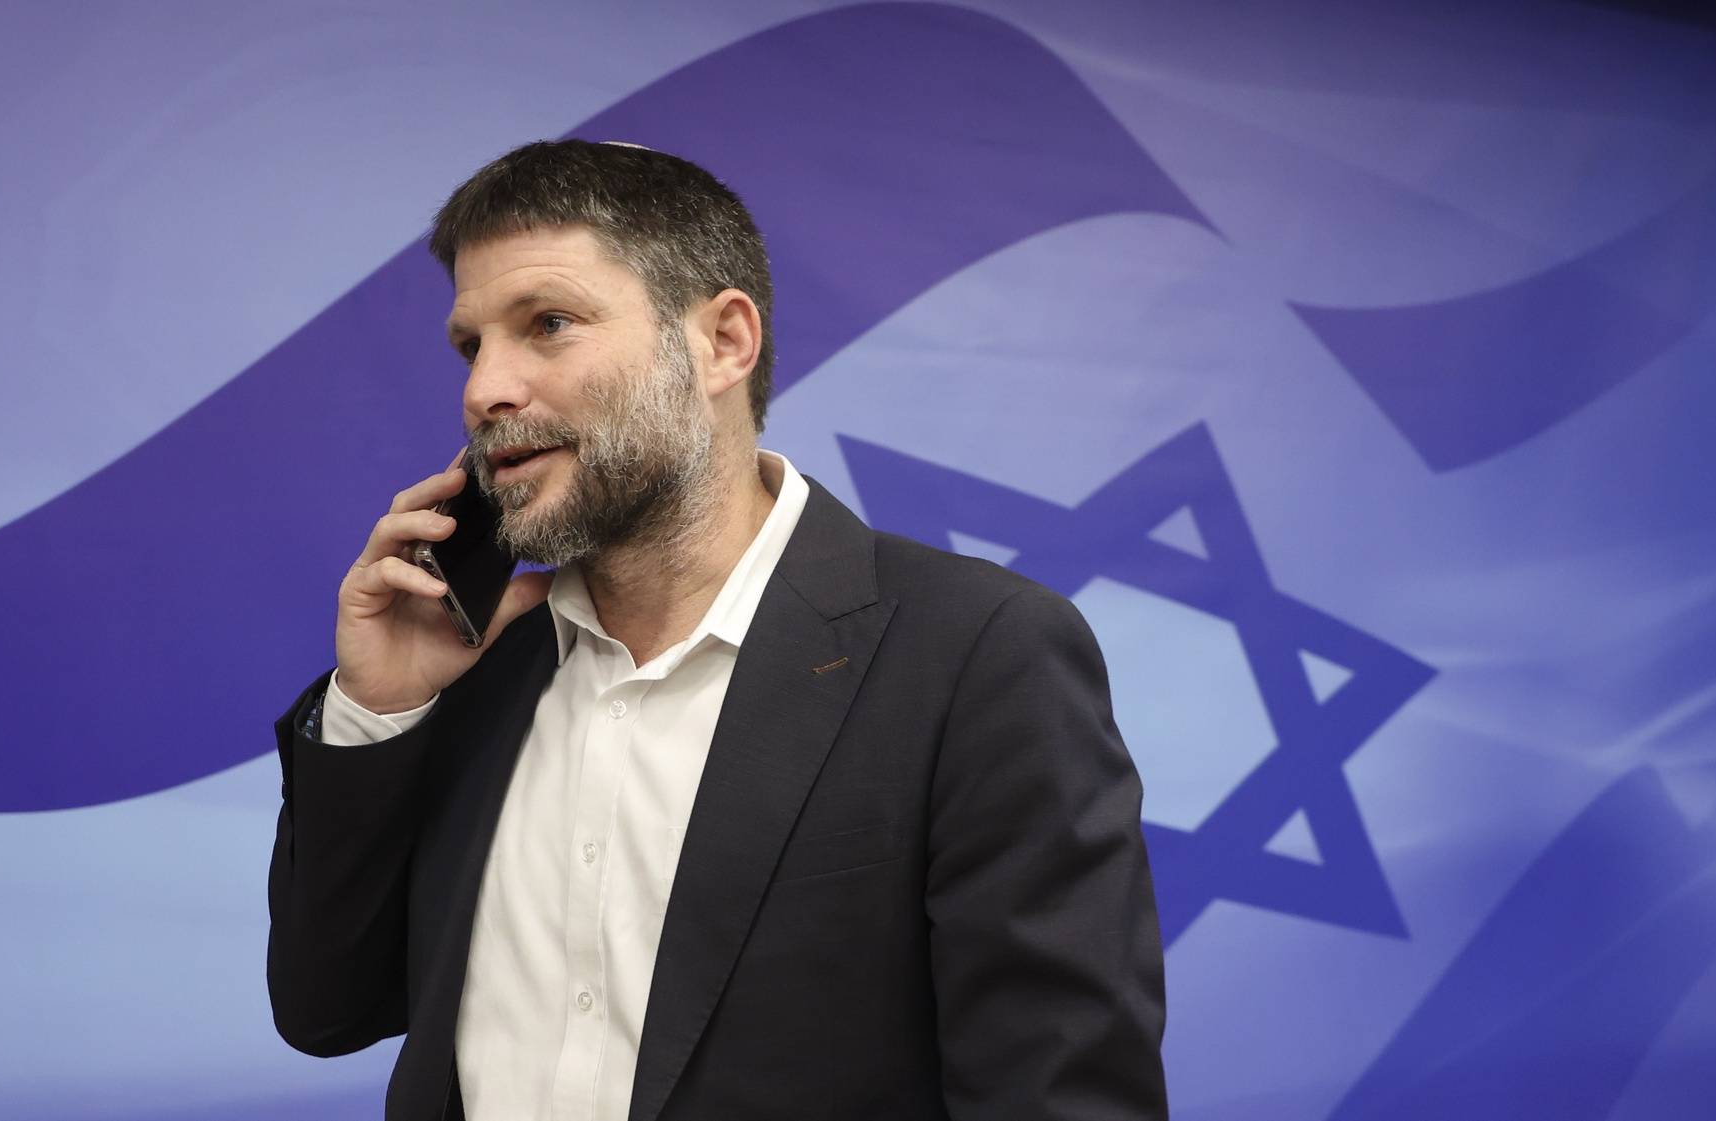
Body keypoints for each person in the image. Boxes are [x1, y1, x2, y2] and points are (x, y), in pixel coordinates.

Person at [266, 139, 1168, 1121]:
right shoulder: (471, 665)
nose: (486, 389)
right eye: (471, 345)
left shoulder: (976, 654)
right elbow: (325, 1008)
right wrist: (378, 709)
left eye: (547, 323)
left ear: (722, 342)